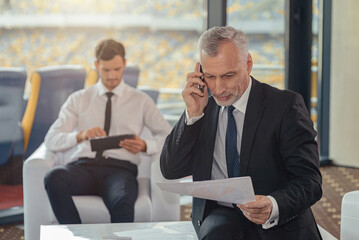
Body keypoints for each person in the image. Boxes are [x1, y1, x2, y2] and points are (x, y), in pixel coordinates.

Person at [160, 26, 322, 240]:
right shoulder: (201, 108)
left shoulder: (285, 106)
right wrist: (192, 116)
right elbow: (171, 170)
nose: (218, 89)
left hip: (276, 221)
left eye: (228, 75)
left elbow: (309, 181)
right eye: (210, 76)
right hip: (221, 216)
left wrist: (273, 205)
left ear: (248, 64)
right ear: (199, 72)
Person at [44, 39, 171, 224]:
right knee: (53, 177)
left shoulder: (141, 101)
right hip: (84, 167)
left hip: (120, 171)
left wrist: (145, 145)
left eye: (117, 69)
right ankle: (77, 236)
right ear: (96, 66)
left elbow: (169, 136)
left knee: (123, 201)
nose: (112, 75)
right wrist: (80, 136)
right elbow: (51, 139)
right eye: (106, 70)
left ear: (125, 64)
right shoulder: (78, 99)